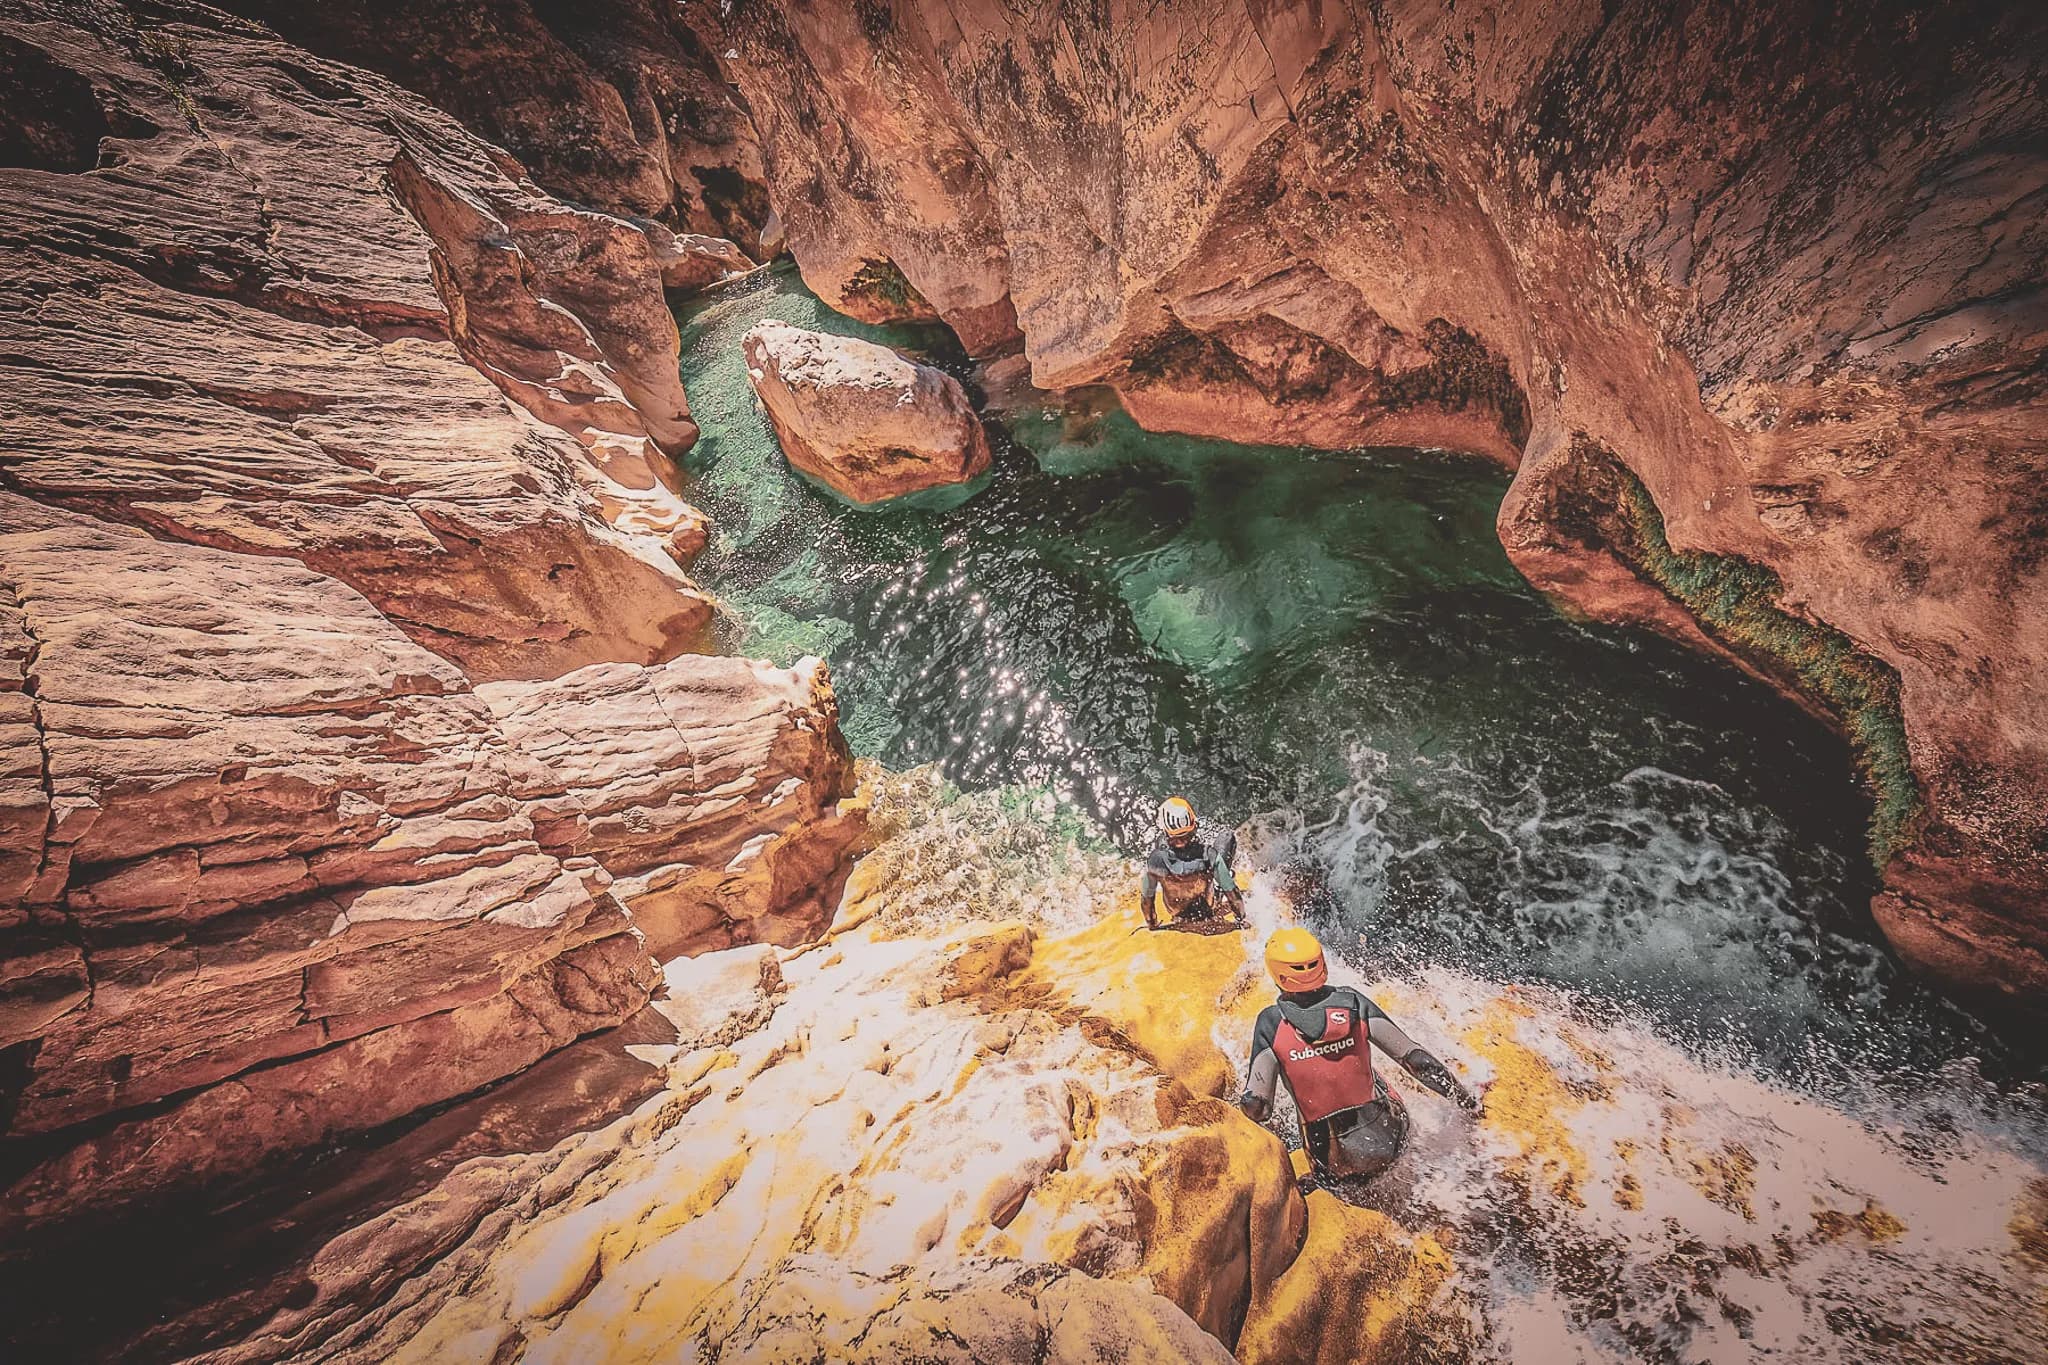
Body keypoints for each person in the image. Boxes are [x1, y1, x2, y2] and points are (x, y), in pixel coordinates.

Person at [1239, 928, 1479, 1193]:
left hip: (1332, 1170)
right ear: (1322, 965)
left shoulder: (1270, 1023)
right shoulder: (1353, 1002)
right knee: (1367, 1071)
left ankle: (1319, 1177)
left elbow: (1258, 1108)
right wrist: (1469, 1103)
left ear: (1278, 973)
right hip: (1392, 1146)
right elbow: (1417, 1061)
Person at [1139, 796, 1246, 930]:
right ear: (1193, 827)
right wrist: (1240, 920)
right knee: (1227, 837)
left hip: (1177, 913)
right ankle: (1220, 883)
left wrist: (1152, 924)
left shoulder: (1156, 859)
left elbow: (1146, 900)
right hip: (1207, 910)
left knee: (1160, 843)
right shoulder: (1208, 855)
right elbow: (1233, 894)